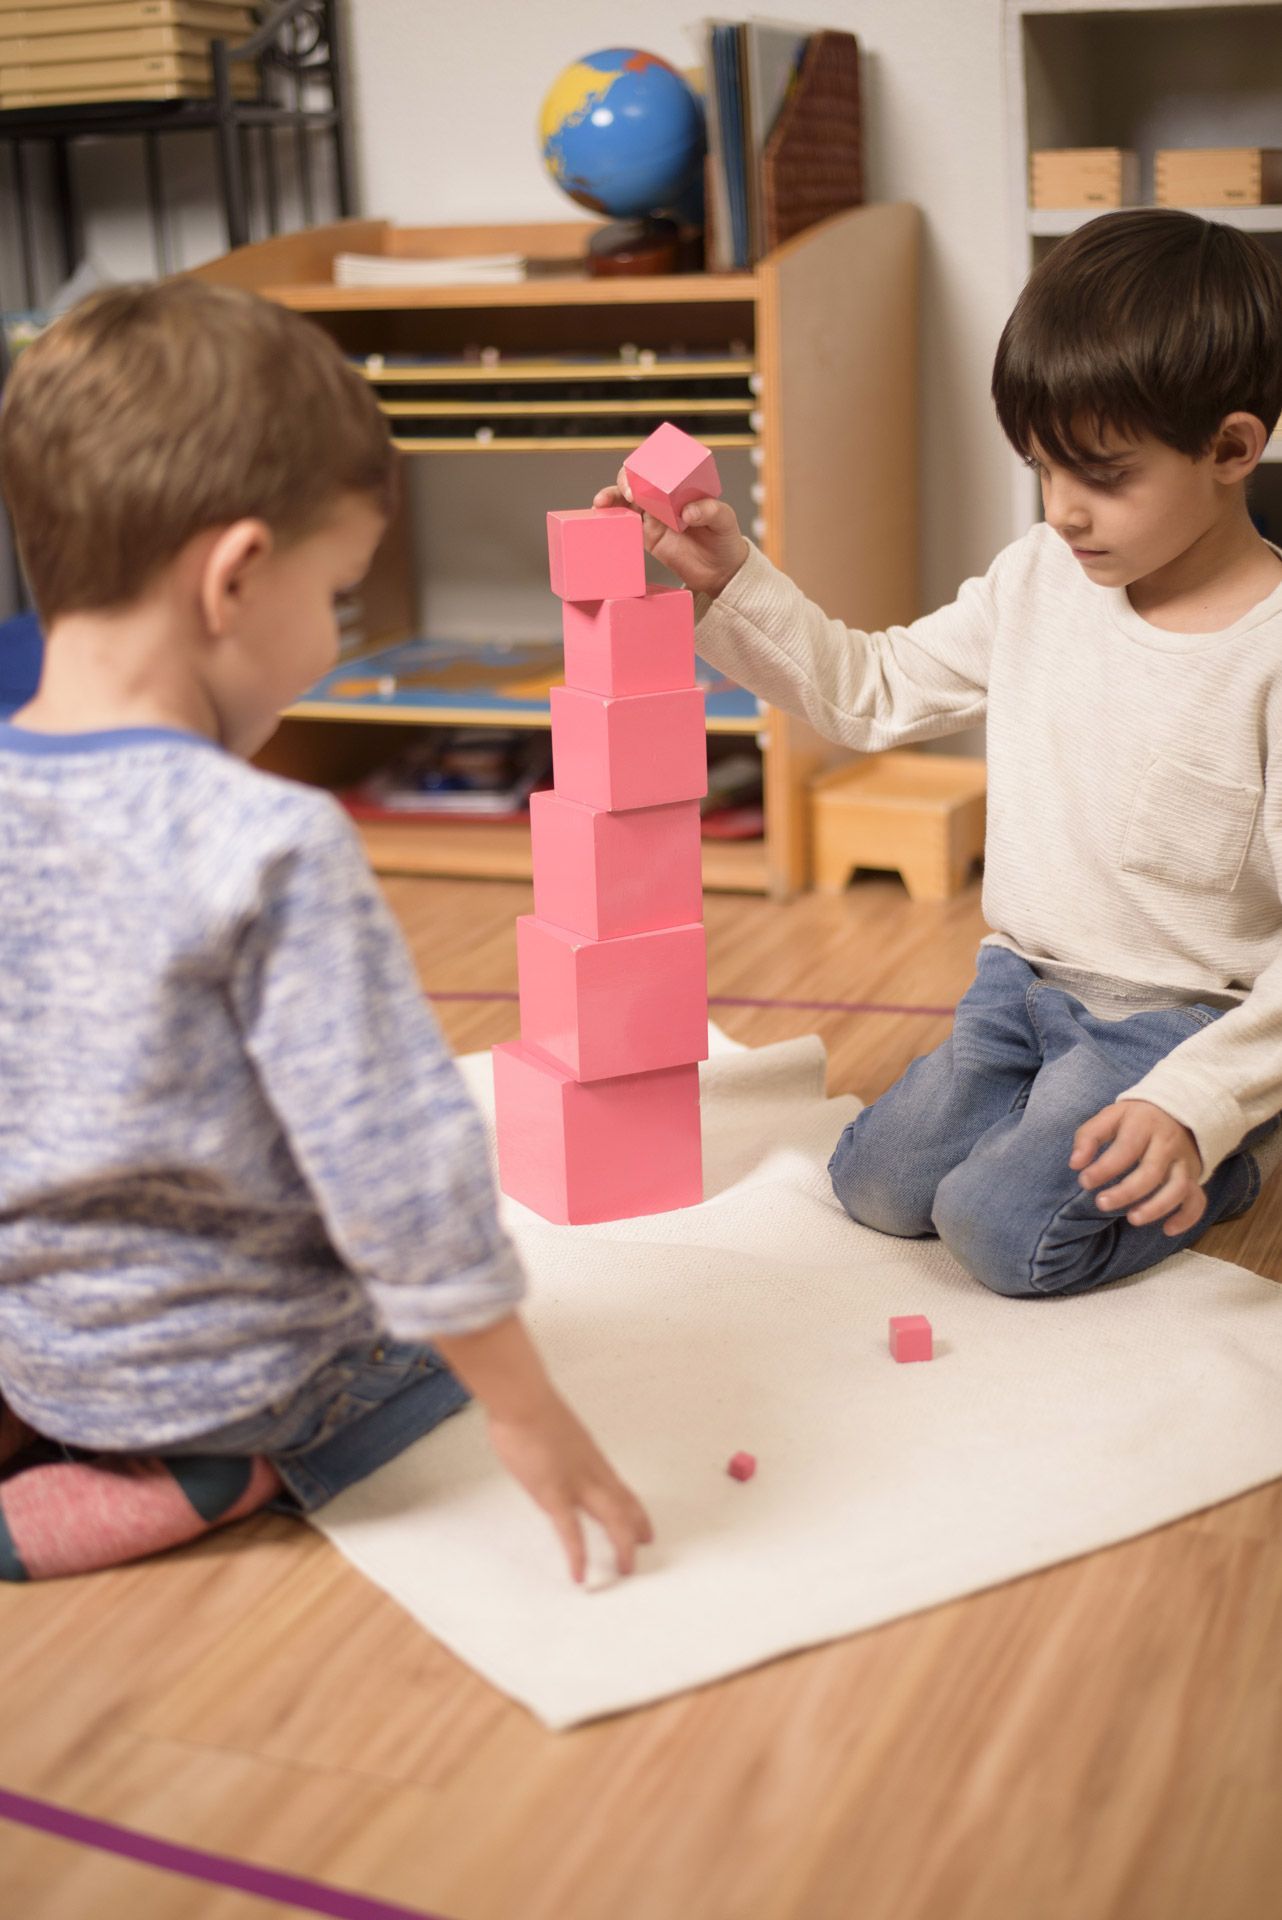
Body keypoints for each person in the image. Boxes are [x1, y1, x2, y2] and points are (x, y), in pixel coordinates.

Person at [0, 279, 651, 1583]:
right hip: (224, 1375)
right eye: (338, 598)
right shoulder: (265, 844)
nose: (331, 644)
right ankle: (207, 1477)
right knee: (419, 1370)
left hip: (42, 1338)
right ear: (235, 576)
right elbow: (394, 1170)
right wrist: (526, 1406)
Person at [598, 208, 1282, 1299]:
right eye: (1041, 470)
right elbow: (870, 690)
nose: (1063, 511)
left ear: (1232, 449)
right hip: (1017, 986)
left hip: (1174, 1019)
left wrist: (1196, 1104)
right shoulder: (1037, 578)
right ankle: (1054, 1116)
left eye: (1102, 476)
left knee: (999, 1230)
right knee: (873, 1185)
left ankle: (1235, 1158)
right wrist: (729, 578)